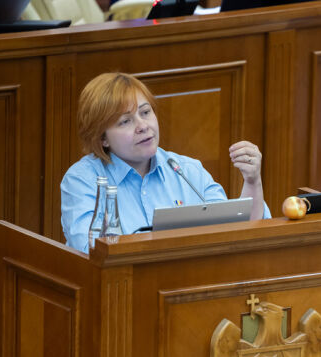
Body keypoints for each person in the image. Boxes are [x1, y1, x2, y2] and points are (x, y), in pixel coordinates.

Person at [61, 72, 270, 253]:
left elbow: (236, 233)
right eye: (125, 121)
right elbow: (90, 251)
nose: (143, 126)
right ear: (102, 138)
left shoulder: (187, 171)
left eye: (145, 112)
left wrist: (252, 182)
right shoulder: (83, 180)